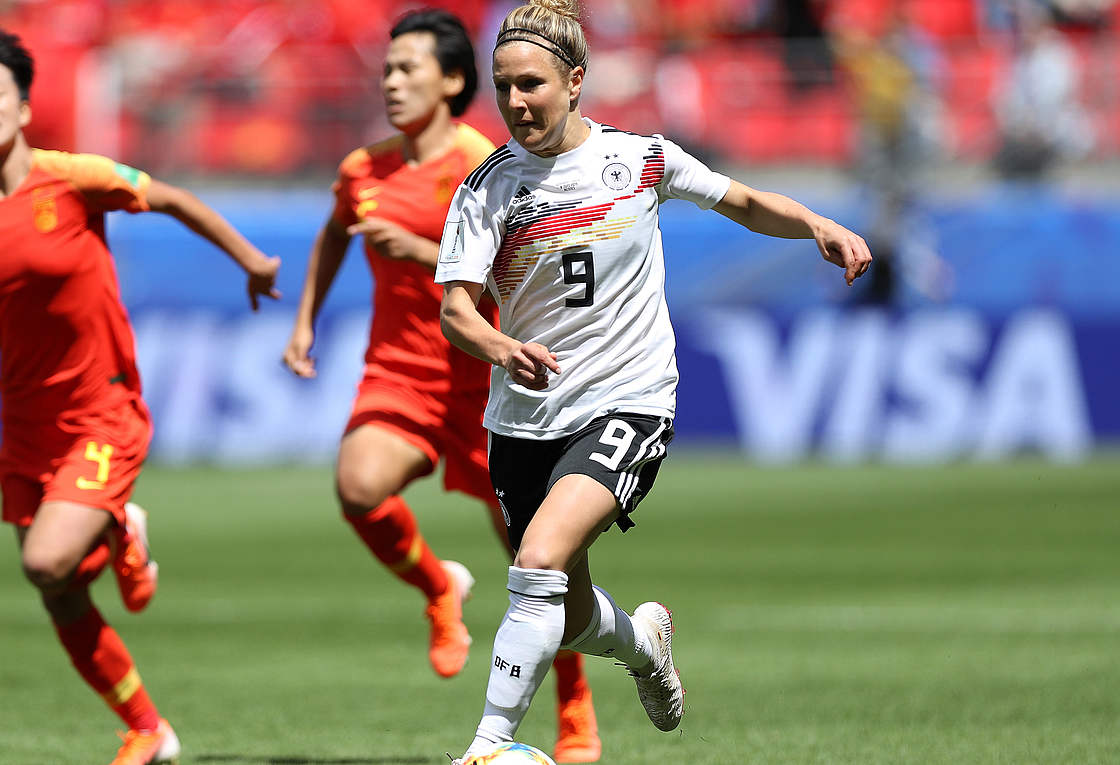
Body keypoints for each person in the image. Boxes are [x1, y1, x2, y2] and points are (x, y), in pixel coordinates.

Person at [435, 1, 871, 760]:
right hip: (524, 419)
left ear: (575, 80)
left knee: (536, 563)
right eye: (503, 87)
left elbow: (740, 200)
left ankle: (488, 745)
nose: (515, 103)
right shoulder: (488, 189)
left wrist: (815, 224)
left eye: (531, 84)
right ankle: (644, 646)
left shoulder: (640, 160)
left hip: (627, 402)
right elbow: (454, 312)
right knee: (564, 613)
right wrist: (500, 347)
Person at [0, 26, 281, 765]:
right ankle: (148, 727)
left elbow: (171, 198)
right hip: (26, 425)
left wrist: (253, 262)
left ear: (22, 106)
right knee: (60, 590)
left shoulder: (72, 177)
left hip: (102, 409)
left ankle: (115, 526)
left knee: (46, 561)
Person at [281, 9, 600, 762]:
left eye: (408, 69)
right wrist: (304, 322)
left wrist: (423, 249)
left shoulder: (486, 165)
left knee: (536, 560)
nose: (391, 83)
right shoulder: (362, 169)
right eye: (386, 70)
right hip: (399, 370)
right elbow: (333, 235)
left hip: (487, 382)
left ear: (453, 81)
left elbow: (521, 264)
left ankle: (575, 703)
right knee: (359, 486)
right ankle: (437, 586)